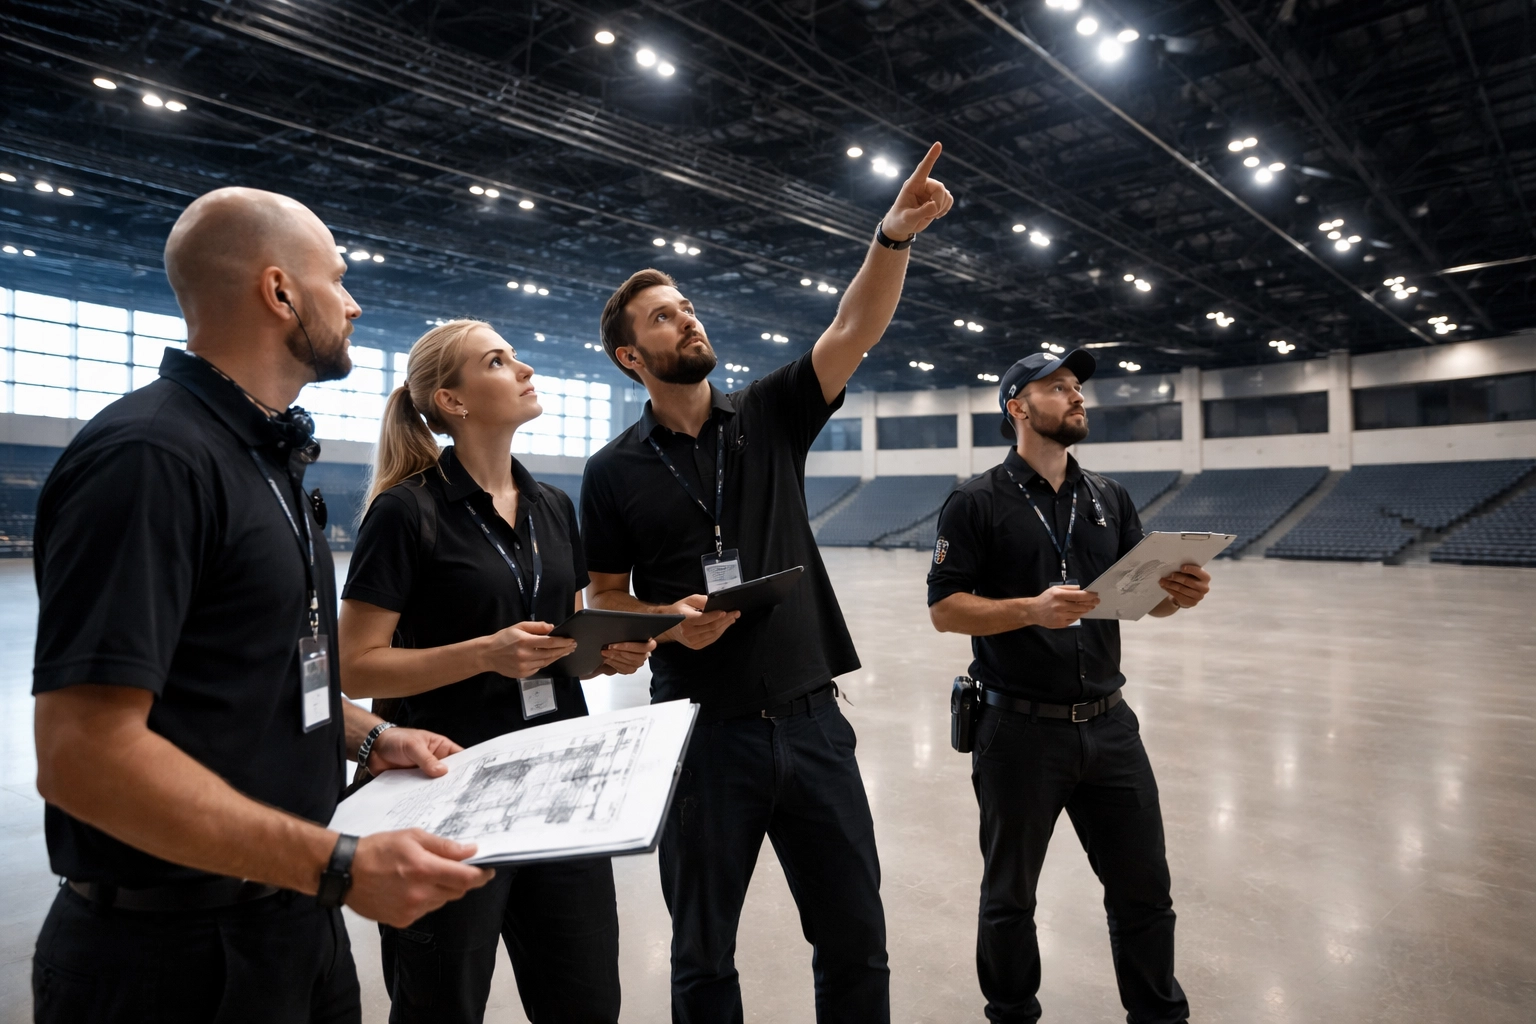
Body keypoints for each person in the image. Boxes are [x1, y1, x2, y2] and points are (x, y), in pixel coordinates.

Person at [29, 188, 495, 1024]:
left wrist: (372, 735)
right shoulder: (152, 458)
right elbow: (81, 755)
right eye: (338, 281)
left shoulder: (264, 456)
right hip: (172, 960)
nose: (354, 304)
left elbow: (266, 669)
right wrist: (340, 864)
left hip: (288, 920)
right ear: (280, 292)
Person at [580, 143, 953, 1022]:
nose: (688, 321)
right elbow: (603, 598)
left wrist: (891, 237)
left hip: (814, 721)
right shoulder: (613, 471)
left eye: (687, 308)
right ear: (632, 356)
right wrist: (669, 620)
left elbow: (851, 330)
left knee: (856, 940)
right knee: (704, 953)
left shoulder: (771, 414)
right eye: (665, 319)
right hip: (701, 739)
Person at [337, 318, 654, 1023]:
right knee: (440, 1004)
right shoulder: (405, 513)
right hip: (446, 793)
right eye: (498, 360)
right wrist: (483, 653)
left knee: (586, 999)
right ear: (452, 401)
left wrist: (602, 654)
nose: (525, 369)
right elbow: (355, 667)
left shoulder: (553, 507)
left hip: (562, 788)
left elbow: (559, 642)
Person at [926, 349, 1212, 1024]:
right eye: (1057, 388)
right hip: (1017, 731)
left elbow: (1141, 601)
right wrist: (1029, 609)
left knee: (1145, 892)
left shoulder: (1108, 498)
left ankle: (1159, 1015)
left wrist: (1180, 595)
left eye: (1077, 387)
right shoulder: (974, 502)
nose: (1076, 396)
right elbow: (945, 610)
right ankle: (1013, 1012)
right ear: (1017, 408)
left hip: (1111, 727)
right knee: (1010, 897)